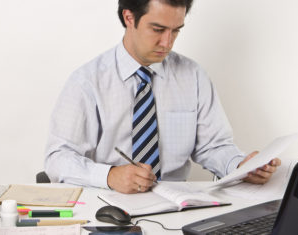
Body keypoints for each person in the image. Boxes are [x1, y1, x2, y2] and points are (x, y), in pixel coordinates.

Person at [44, 0, 281, 194]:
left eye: (175, 30)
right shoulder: (87, 81)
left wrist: (241, 166)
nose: (167, 43)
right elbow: (58, 158)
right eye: (158, 29)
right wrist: (109, 176)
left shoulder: (193, 76)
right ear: (129, 18)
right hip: (109, 202)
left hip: (178, 204)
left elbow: (213, 146)